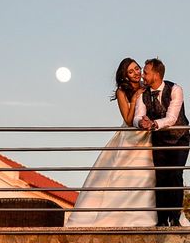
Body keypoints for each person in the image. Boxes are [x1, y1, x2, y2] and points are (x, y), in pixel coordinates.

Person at [66, 58, 157, 227]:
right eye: (131, 71)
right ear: (125, 76)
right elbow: (129, 120)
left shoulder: (148, 86)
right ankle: (115, 217)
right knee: (122, 175)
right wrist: (136, 97)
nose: (136, 73)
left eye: (137, 69)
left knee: (148, 175)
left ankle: (148, 216)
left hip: (148, 135)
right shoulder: (122, 92)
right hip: (130, 137)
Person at [134, 58, 190, 227]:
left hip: (180, 138)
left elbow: (172, 118)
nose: (143, 75)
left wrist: (154, 124)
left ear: (156, 74)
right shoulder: (143, 95)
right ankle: (161, 220)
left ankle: (175, 217)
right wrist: (140, 122)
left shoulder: (175, 89)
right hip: (159, 139)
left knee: (175, 175)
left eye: (146, 72)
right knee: (161, 177)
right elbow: (138, 114)